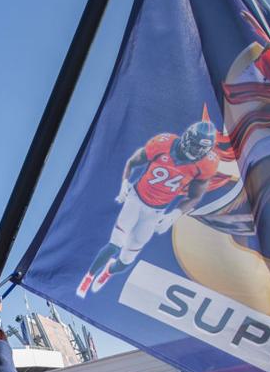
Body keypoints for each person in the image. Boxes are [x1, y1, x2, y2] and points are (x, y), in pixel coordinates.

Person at [76, 119, 230, 297]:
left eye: (200, 149)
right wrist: (125, 182)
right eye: (194, 146)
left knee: (125, 262)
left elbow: (195, 196)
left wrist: (175, 214)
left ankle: (109, 270)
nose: (195, 151)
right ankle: (88, 277)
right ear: (187, 138)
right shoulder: (163, 143)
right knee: (114, 245)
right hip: (136, 199)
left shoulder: (206, 164)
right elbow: (133, 162)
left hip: (156, 212)